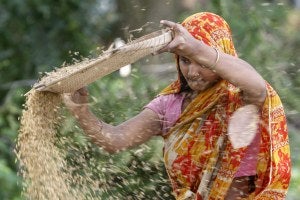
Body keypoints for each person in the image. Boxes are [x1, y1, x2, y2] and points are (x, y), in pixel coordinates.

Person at [63, 12, 291, 199]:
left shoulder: (240, 96)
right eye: (184, 60)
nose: (192, 72)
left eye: (201, 62)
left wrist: (193, 48)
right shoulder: (169, 106)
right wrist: (82, 111)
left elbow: (258, 88)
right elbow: (115, 140)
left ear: (217, 53)